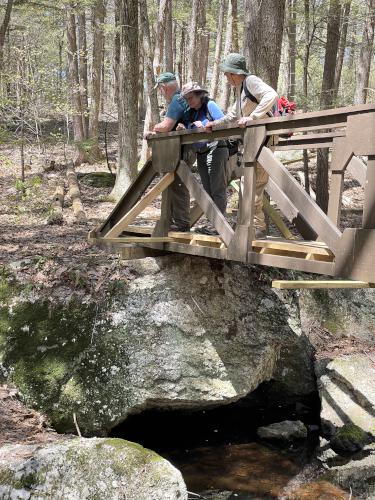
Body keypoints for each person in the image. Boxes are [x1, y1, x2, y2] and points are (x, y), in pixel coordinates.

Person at [205, 53, 278, 238]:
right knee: (250, 184)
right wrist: (215, 123)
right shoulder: (240, 90)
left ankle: (256, 228)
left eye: (226, 73)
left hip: (264, 141)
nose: (225, 77)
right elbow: (232, 115)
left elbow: (271, 95)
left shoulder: (251, 81)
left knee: (254, 183)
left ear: (234, 73)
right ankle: (252, 227)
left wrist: (253, 117)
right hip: (254, 142)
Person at [145, 72, 191, 232]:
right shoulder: (182, 99)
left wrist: (154, 128)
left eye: (160, 90)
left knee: (178, 185)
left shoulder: (177, 100)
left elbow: (166, 126)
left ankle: (181, 223)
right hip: (182, 148)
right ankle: (175, 221)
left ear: (164, 87)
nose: (161, 93)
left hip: (182, 150)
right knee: (176, 184)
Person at [178, 82, 228, 216]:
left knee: (217, 188)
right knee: (207, 189)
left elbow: (224, 121)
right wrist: (185, 127)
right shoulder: (191, 112)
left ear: (199, 95)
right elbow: (190, 125)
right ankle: (211, 222)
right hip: (201, 152)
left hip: (216, 148)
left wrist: (205, 124)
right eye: (186, 99)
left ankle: (219, 225)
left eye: (191, 98)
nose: (189, 101)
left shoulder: (210, 105)